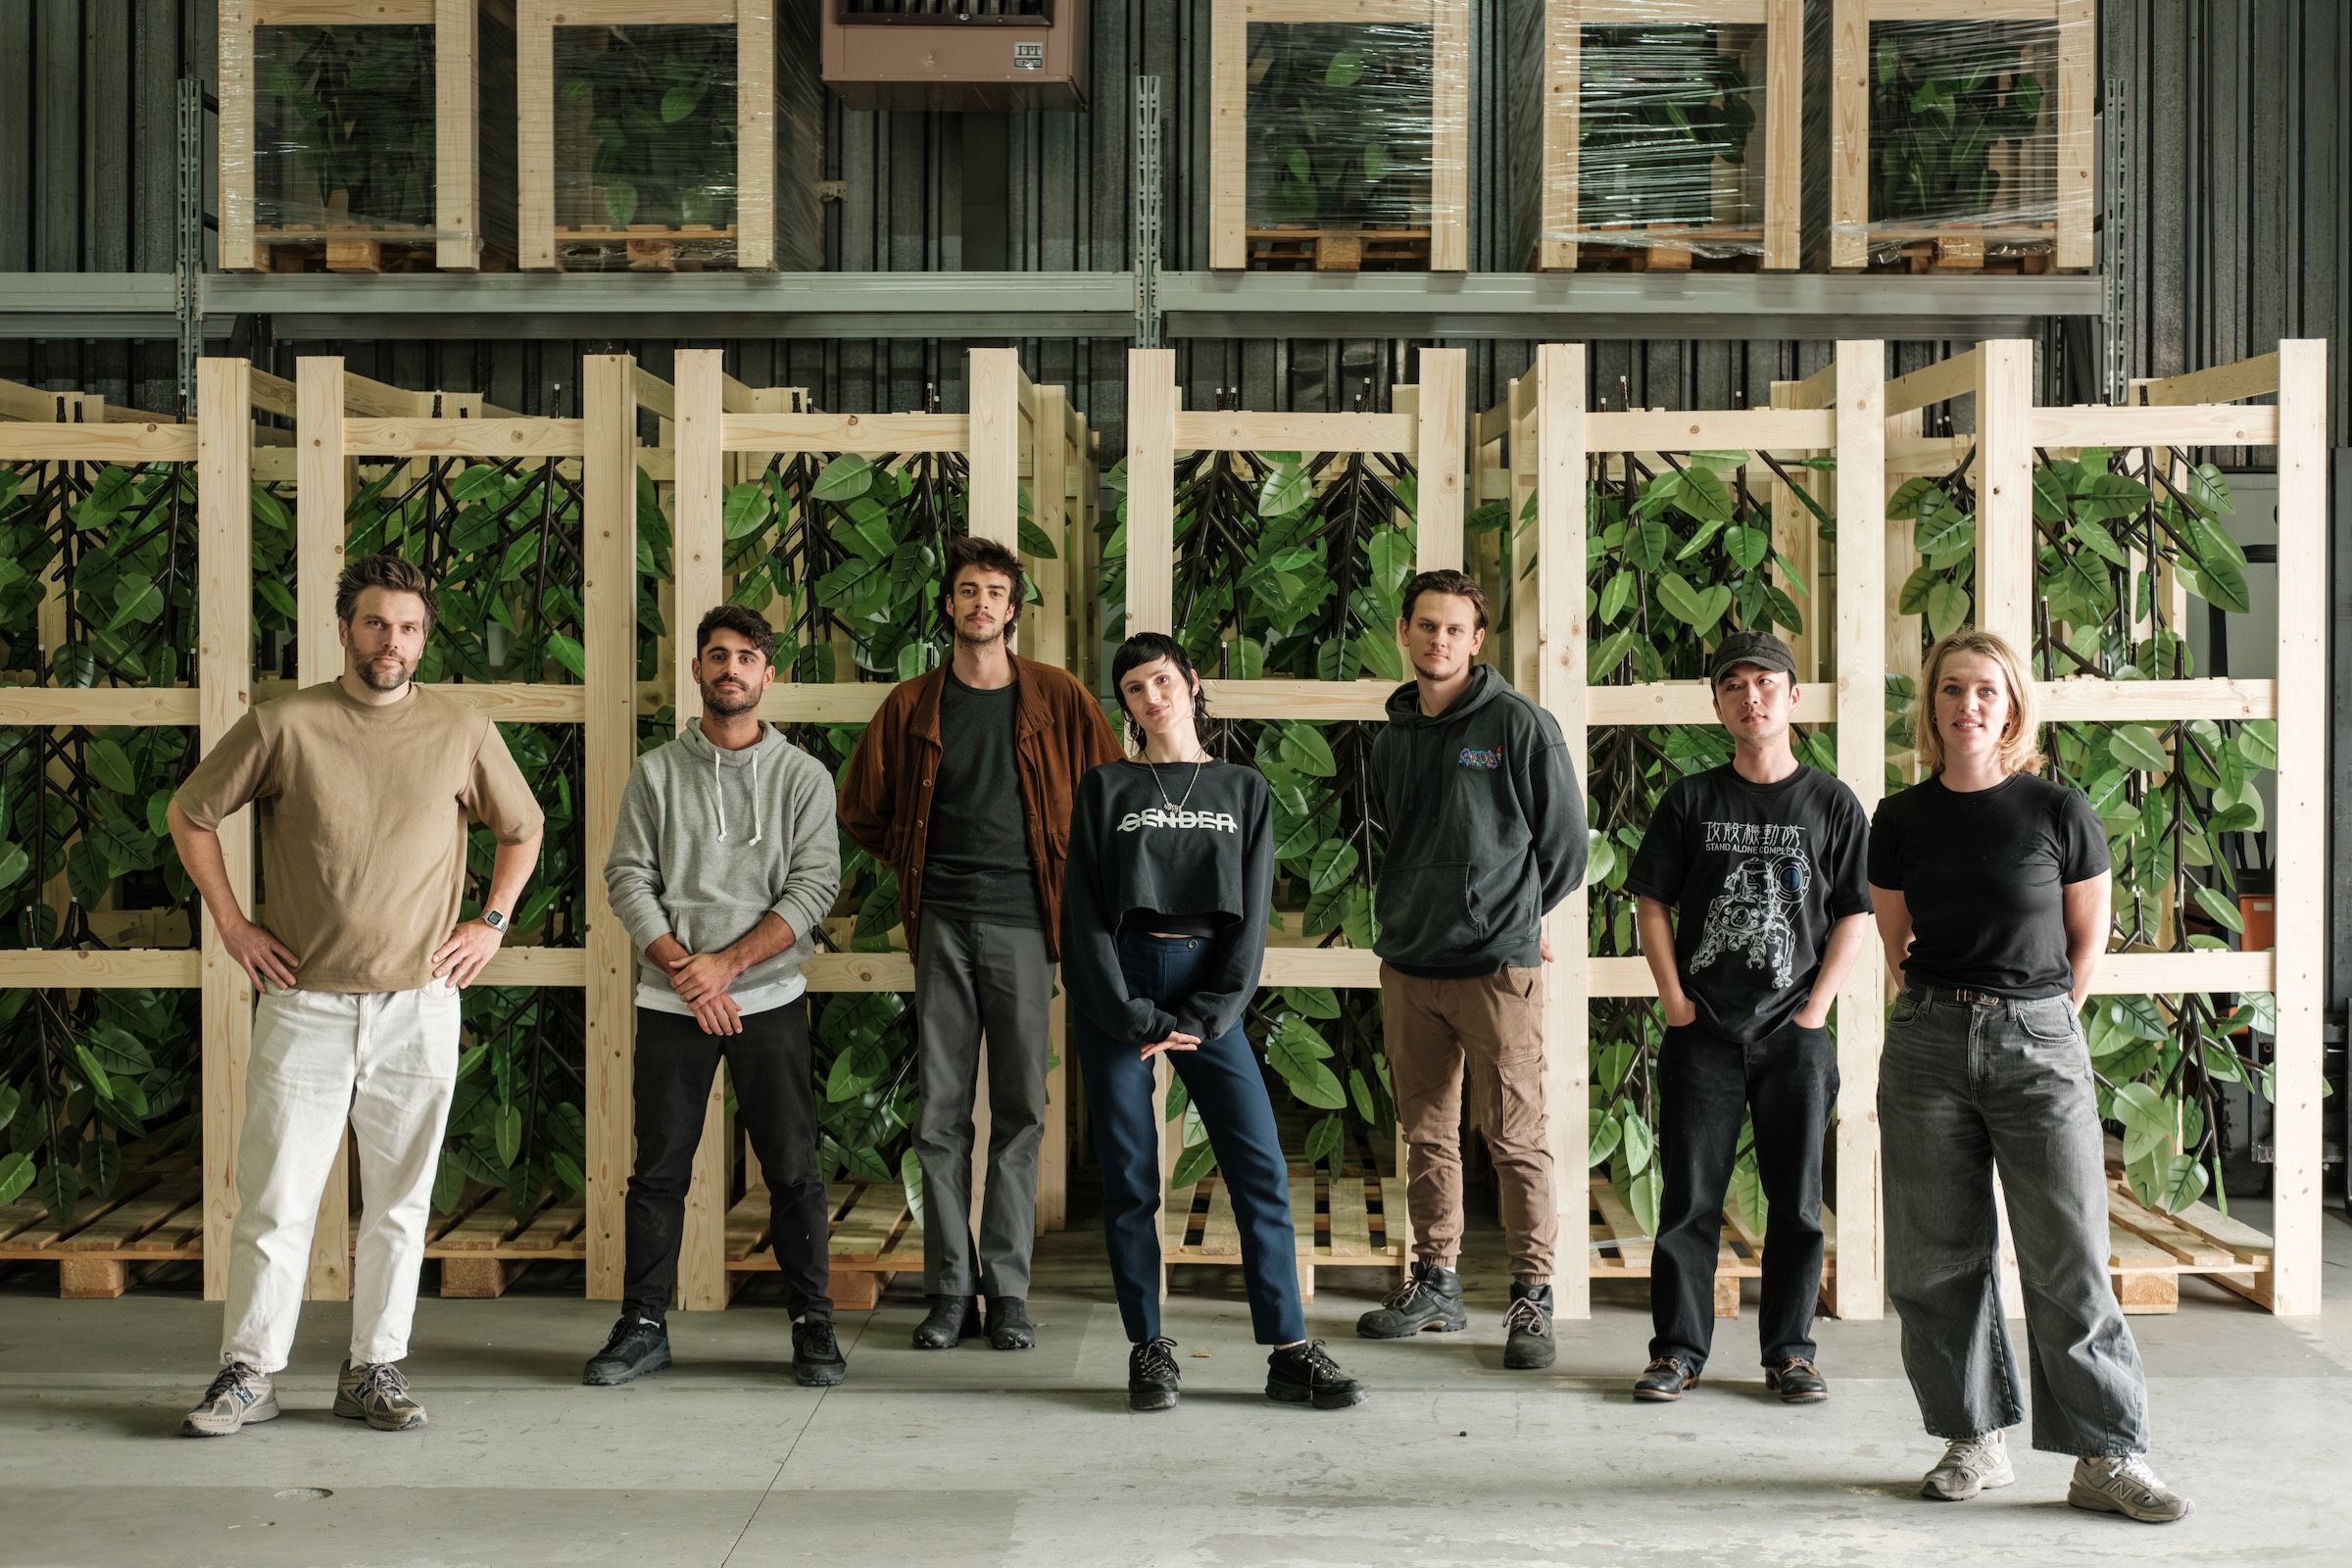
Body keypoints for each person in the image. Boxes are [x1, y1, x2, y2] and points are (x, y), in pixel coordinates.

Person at [170, 554, 544, 1438]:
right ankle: (248, 1372)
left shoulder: (460, 728)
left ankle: (372, 1368)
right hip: (306, 1001)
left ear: (424, 638)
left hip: (422, 1002)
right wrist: (233, 925)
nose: (391, 642)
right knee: (276, 1199)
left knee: (401, 1202)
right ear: (344, 629)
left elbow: (522, 828)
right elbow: (191, 814)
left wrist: (491, 922)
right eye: (376, 624)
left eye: (408, 628)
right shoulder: (285, 724)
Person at [1869, 628, 2190, 1523]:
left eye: (1986, 689)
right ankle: (1972, 1439)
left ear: (2012, 705)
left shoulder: (2057, 809)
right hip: (1927, 1046)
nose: (1967, 704)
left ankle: (2107, 1455)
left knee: (2067, 1256)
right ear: (1931, 704)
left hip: (2038, 1043)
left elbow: (2087, 940)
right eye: (1951, 689)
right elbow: (1898, 943)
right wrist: (1953, 1011)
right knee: (1934, 1260)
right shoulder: (1898, 818)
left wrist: (2038, 1019)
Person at [1063, 632, 1368, 1412]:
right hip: (1120, 987)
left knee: (1258, 1166)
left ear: (1192, 683)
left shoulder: (1242, 787)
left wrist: (1211, 1011)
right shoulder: (1105, 787)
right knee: (1130, 1176)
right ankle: (1148, 1347)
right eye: (1134, 689)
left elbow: (1253, 916)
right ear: (1124, 704)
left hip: (1209, 985)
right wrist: (1129, 1014)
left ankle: (1289, 1352)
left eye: (1162, 680)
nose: (1152, 698)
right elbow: (1083, 914)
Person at [838, 535, 1123, 1350]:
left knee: (1022, 1110)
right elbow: (861, 809)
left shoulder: (1059, 698)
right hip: (941, 924)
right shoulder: (912, 706)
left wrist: (1073, 877)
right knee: (940, 1113)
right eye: (968, 590)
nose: (981, 604)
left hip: (1028, 924)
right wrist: (915, 857)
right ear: (950, 606)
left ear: (1013, 609)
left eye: (995, 592)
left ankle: (1010, 1292)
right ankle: (950, 1292)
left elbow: (1109, 794)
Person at [584, 607, 845, 1389]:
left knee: (792, 1169)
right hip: (673, 1002)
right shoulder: (656, 773)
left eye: (747, 657)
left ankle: (812, 1323)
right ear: (697, 670)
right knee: (658, 1171)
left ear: (769, 674)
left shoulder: (802, 778)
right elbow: (627, 876)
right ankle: (643, 1326)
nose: (732, 669)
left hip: (769, 998)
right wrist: (685, 972)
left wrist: (725, 967)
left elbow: (815, 886)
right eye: (718, 656)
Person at [1623, 630, 1873, 1404]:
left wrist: (1815, 1010)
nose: (1750, 697)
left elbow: (1855, 912)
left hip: (1795, 1037)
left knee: (1796, 1204)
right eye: (1733, 685)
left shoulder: (1830, 803)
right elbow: (1651, 902)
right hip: (1703, 1033)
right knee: (1689, 1202)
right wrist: (1675, 1002)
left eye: (1765, 683)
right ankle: (1677, 1352)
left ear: (1792, 698)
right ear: (1718, 705)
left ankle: (1790, 1353)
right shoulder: (1692, 800)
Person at [1355, 569, 1587, 1370]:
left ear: (1477, 640)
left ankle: (1532, 1297)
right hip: (1410, 965)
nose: (1439, 640)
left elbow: (1566, 846)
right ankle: (1436, 1282)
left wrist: (1515, 917)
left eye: (1455, 629)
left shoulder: (1519, 725)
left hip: (1495, 969)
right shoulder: (1392, 737)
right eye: (1426, 625)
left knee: (1515, 1136)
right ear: (1404, 632)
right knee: (1426, 1134)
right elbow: (1397, 839)